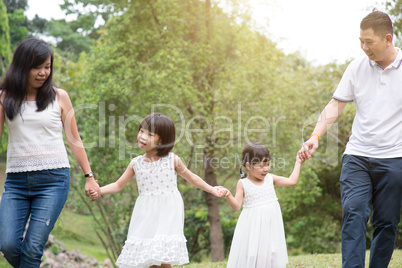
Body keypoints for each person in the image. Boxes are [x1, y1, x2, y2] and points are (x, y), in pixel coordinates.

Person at [298, 11, 402, 268]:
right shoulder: (356, 68)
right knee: (354, 213)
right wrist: (315, 135)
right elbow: (335, 105)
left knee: (387, 223)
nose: (364, 47)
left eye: (369, 42)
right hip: (357, 156)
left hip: (394, 158)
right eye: (361, 41)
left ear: (388, 39)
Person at [0, 38, 100, 267]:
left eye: (47, 67)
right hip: (16, 181)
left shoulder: (59, 96)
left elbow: (74, 139)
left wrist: (89, 176)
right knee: (7, 244)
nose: (44, 72)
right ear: (22, 66)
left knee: (33, 249)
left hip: (54, 180)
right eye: (38, 67)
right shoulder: (4, 97)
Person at [90, 113, 226, 268]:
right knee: (149, 257)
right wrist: (99, 190)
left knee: (162, 256)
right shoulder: (136, 163)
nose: (143, 136)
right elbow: (118, 185)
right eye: (141, 131)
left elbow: (192, 178)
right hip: (146, 212)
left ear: (163, 140)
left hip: (168, 210)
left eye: (150, 134)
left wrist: (212, 189)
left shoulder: (172, 160)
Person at [224, 142, 304, 268]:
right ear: (248, 166)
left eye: (268, 164)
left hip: (271, 225)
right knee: (254, 255)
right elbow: (236, 206)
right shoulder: (243, 183)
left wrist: (298, 162)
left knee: (272, 255)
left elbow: (291, 181)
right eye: (261, 166)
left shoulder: (270, 179)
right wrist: (228, 195)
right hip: (253, 227)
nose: (266, 169)